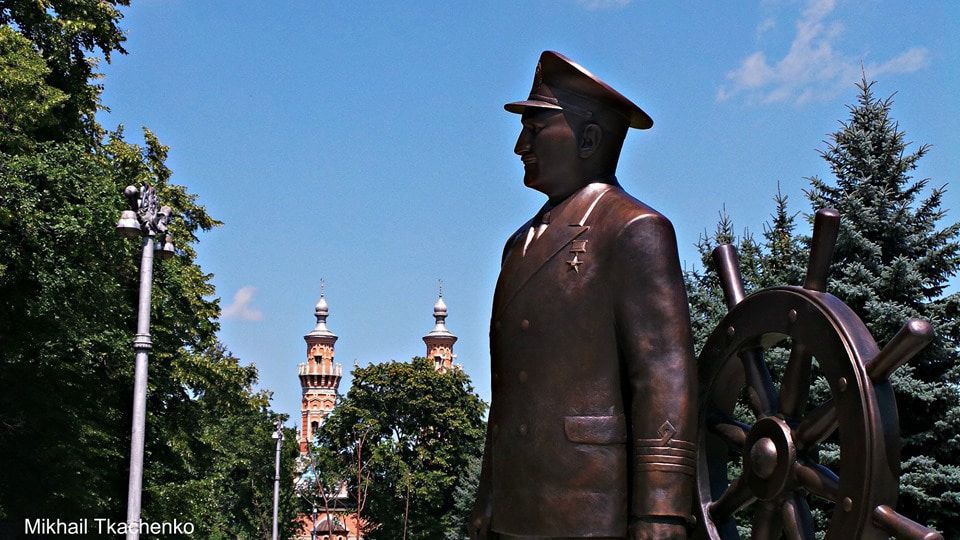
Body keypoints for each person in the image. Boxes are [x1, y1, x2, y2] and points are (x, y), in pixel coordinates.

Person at [470, 51, 697, 540]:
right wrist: (488, 497)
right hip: (517, 509)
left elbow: (663, 372)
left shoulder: (633, 229)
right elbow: (509, 393)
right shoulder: (517, 245)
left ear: (589, 138)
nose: (519, 146)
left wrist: (661, 512)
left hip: (591, 508)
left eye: (535, 130)